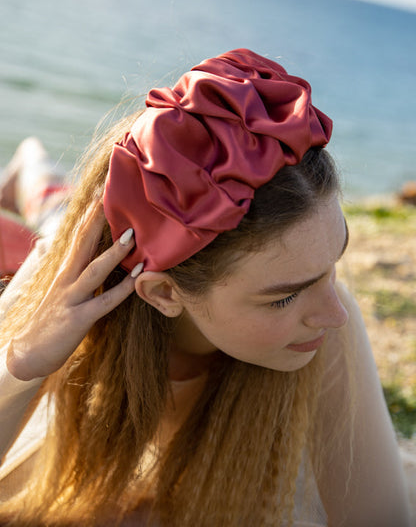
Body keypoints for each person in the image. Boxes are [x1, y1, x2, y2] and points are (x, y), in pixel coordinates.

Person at [0, 49, 410, 526]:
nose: (336, 313)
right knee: (52, 209)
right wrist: (22, 365)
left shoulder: (325, 326)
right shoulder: (61, 293)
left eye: (332, 264)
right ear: (164, 294)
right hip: (77, 248)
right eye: (285, 296)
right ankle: (29, 161)